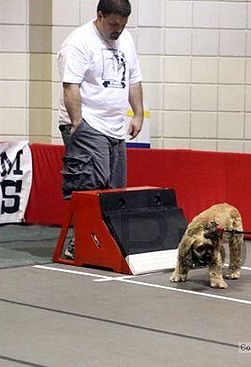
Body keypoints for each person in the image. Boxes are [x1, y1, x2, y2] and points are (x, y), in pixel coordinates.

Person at [57, 0, 144, 259]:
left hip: (115, 126)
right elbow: (70, 85)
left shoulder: (126, 39)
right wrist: (78, 124)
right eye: (113, 23)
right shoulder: (78, 42)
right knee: (91, 184)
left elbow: (134, 79)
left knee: (114, 188)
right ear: (100, 16)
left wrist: (137, 114)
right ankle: (79, 243)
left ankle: (102, 241)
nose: (118, 29)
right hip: (88, 123)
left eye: (123, 23)